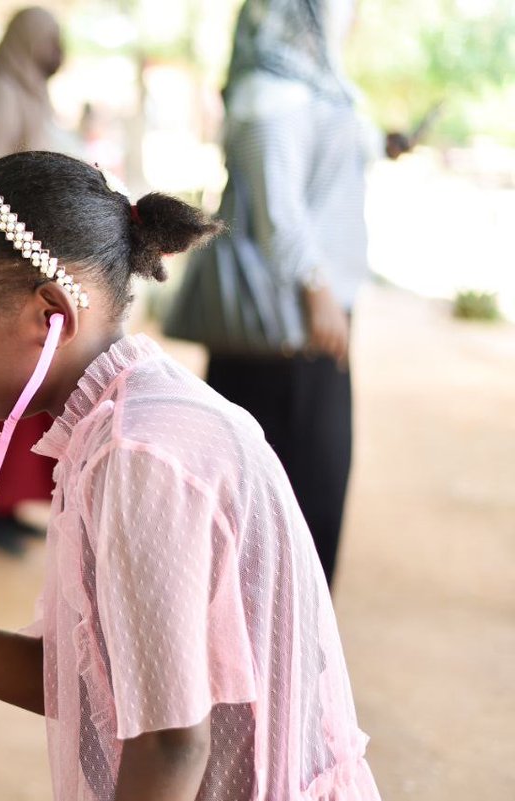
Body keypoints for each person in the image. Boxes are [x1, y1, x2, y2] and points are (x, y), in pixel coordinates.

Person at [0, 151, 381, 801]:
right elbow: (71, 678)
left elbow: (170, 742)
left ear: (51, 315)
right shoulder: (115, 424)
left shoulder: (137, 454)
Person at [164, 0, 409, 588]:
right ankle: (266, 660)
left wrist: (385, 143)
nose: (353, 18)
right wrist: (318, 291)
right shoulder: (266, 97)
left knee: (310, 497)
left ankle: (290, 651)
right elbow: (280, 211)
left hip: (303, 322)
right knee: (287, 499)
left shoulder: (314, 87)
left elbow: (327, 158)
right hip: (284, 327)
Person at [0, 6, 76, 554]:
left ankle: (6, 502)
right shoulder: (2, 94)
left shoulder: (33, 97)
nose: (57, 50)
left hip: (36, 264)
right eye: (48, 40)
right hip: (5, 269)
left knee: (33, 384)